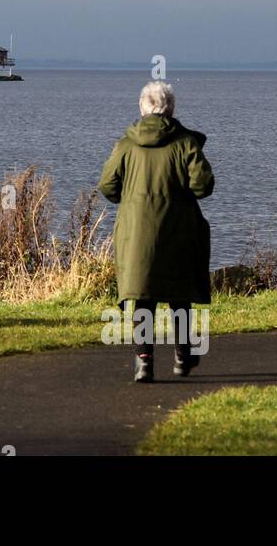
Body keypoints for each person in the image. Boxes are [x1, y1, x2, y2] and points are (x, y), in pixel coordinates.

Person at [98, 81, 214, 383]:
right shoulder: (185, 142)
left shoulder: (126, 143)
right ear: (171, 109)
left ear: (142, 108)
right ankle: (182, 354)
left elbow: (107, 186)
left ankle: (144, 359)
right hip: (178, 228)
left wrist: (132, 197)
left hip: (136, 232)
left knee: (143, 295)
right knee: (179, 295)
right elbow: (203, 186)